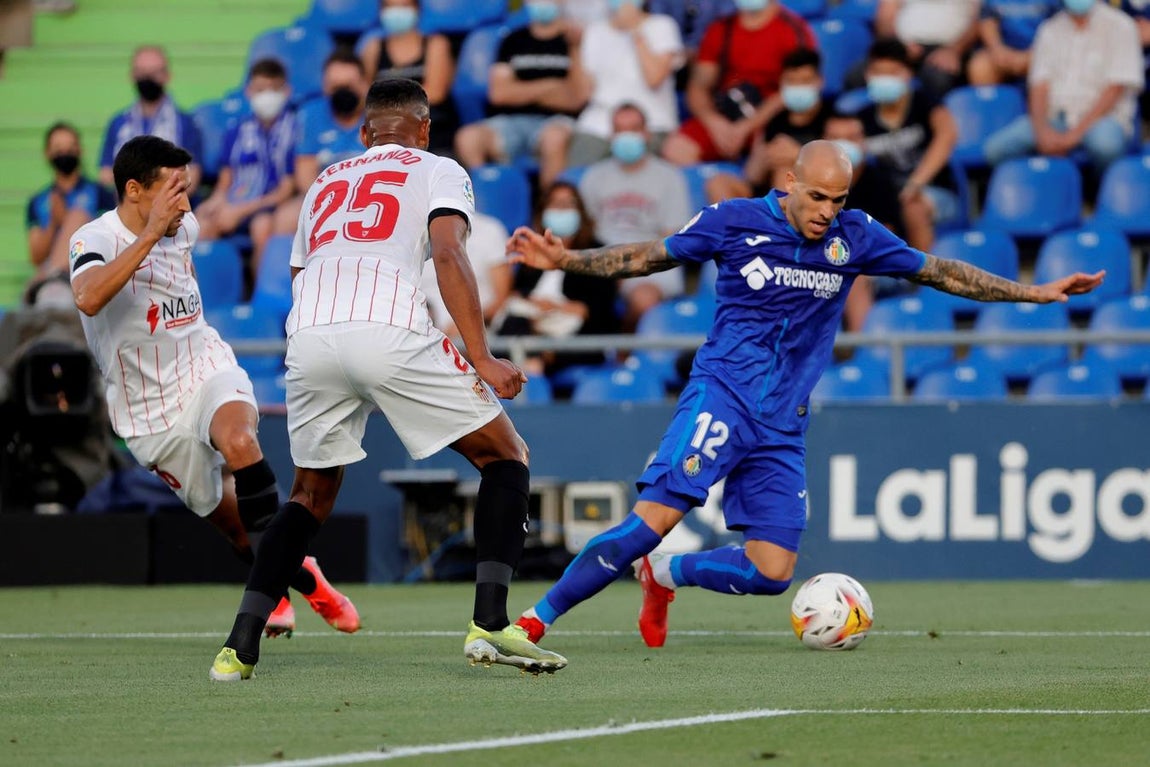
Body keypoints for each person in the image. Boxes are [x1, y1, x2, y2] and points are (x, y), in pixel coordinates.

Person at [505, 139, 1103, 654]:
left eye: (838, 200)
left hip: (782, 424)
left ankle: (664, 574)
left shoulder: (856, 237)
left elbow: (941, 271)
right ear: (789, 183)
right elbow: (644, 257)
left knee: (772, 573)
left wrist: (1034, 292)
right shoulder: (733, 220)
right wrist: (566, 259)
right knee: (651, 522)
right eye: (817, 197)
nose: (826, 212)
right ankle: (532, 623)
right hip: (723, 398)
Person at [209, 78, 567, 682]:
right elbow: (449, 254)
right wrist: (480, 356)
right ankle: (490, 624)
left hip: (311, 333)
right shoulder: (438, 168)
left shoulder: (324, 179)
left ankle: (238, 647)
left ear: (363, 132)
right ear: (424, 129)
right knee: (507, 456)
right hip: (389, 326)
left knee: (308, 498)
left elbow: (301, 270)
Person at [68, 136, 360, 652]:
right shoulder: (93, 238)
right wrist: (151, 235)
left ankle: (264, 598)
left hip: (205, 367)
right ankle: (304, 578)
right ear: (135, 191)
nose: (186, 204)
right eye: (174, 192)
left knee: (241, 442)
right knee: (235, 526)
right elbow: (88, 298)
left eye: (187, 191)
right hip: (147, 410)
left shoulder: (185, 226)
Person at [983, 0, 1143, 172]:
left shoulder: (1121, 25)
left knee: (1105, 145)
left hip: (1104, 119)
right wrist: (1042, 132)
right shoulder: (1050, 29)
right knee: (995, 150)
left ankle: (1100, 193)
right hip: (1056, 118)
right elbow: (1039, 87)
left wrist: (1073, 136)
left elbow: (1115, 90)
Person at [661, 0, 816, 166]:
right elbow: (698, 87)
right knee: (676, 149)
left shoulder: (793, 29)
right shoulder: (721, 29)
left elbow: (800, 85)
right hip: (726, 117)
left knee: (782, 155)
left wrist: (747, 127)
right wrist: (715, 123)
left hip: (773, 119)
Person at [579, 103, 691, 329]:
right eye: (620, 129)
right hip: (602, 262)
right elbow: (584, 232)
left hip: (651, 264)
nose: (626, 136)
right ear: (611, 135)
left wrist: (628, 269)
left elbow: (672, 239)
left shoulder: (670, 177)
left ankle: (623, 352)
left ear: (646, 133)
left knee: (643, 300)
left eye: (633, 128)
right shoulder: (593, 176)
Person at [453, 0, 585, 189]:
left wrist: (520, 89)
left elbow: (575, 99)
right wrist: (551, 86)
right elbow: (499, 94)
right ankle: (485, 198)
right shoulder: (513, 39)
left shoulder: (573, 42)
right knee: (468, 138)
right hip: (510, 122)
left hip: (556, 122)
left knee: (554, 139)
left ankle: (548, 206)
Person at [499, 180, 621, 376]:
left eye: (568, 204)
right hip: (529, 327)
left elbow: (596, 311)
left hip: (575, 337)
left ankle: (535, 362)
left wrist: (554, 307)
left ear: (580, 211)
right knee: (513, 323)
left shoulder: (597, 254)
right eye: (555, 204)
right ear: (544, 211)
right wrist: (536, 307)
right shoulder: (532, 251)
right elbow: (518, 294)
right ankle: (531, 362)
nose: (562, 210)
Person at [194, 58, 296, 281]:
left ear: (287, 91)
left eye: (274, 89)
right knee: (201, 225)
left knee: (262, 228)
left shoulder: (294, 129)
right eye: (260, 89)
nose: (267, 95)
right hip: (235, 202)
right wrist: (215, 202)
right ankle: (208, 297)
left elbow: (286, 190)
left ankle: (258, 299)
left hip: (269, 206)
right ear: (249, 91)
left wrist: (240, 211)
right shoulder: (237, 130)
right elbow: (225, 181)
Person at [858, 37, 960, 253]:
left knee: (912, 204)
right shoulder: (863, 118)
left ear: (907, 74)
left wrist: (916, 184)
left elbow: (947, 134)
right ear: (868, 75)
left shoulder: (924, 102)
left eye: (892, 71)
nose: (885, 78)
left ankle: (924, 281)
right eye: (878, 72)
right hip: (889, 198)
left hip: (935, 193)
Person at [705, 47, 834, 202]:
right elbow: (753, 176)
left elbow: (840, 168)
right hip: (766, 196)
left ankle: (780, 226)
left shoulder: (832, 117)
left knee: (785, 172)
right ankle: (740, 226)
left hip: (813, 198)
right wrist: (766, 157)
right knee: (718, 182)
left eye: (805, 81)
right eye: (792, 81)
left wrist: (798, 156)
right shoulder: (774, 121)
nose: (798, 86)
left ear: (819, 82)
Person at [567, 0, 685, 168]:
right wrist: (575, 47)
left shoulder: (662, 25)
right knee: (576, 178)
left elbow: (654, 79)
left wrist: (635, 30)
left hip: (652, 123)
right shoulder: (595, 30)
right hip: (598, 124)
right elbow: (581, 94)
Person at [272, 51, 370, 236]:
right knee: (285, 218)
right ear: (325, 88)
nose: (342, 92)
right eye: (335, 87)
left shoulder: (378, 115)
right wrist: (331, 204)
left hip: (370, 196)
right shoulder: (310, 114)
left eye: (348, 85)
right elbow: (305, 174)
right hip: (323, 196)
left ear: (365, 85)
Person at [359, 0, 458, 154]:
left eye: (404, 6)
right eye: (390, 7)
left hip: (433, 131)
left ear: (417, 9)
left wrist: (386, 103)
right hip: (385, 134)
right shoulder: (373, 48)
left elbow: (436, 92)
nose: (397, 12)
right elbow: (365, 94)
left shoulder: (436, 44)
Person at [99, 46, 202, 191]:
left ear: (168, 76)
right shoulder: (118, 123)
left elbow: (193, 175)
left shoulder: (184, 123)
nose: (148, 78)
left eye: (155, 72)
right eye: (142, 72)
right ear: (132, 75)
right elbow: (105, 174)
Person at [27, 121, 115, 280]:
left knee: (77, 216)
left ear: (80, 150)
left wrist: (69, 220)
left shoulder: (100, 194)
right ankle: (53, 278)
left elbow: (111, 239)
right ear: (47, 153)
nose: (65, 152)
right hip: (50, 274)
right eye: (58, 148)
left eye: (70, 147)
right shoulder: (38, 201)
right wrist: (54, 223)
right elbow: (36, 258)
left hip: (89, 272)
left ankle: (50, 279)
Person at [420, 211, 514, 335]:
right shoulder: (414, 232)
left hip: (479, 333)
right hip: (420, 330)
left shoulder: (489, 230)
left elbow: (502, 298)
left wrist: (465, 326)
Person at [874, 0, 982, 98]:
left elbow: (977, 21)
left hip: (948, 49)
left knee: (938, 78)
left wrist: (954, 50)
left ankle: (934, 116)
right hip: (901, 45)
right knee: (864, 74)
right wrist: (899, 46)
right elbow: (885, 19)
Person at [966, 0, 1059, 86]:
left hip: (1039, 53)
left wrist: (1033, 56)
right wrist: (998, 49)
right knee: (981, 67)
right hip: (1004, 53)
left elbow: (1059, 27)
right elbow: (987, 20)